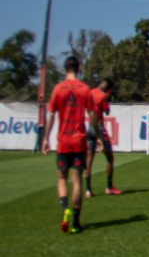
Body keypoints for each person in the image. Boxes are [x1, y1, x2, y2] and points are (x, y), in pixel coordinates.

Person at [43, 56, 92, 234]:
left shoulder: (58, 89)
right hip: (78, 141)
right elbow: (92, 115)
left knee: (62, 178)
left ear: (65, 69)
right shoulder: (85, 89)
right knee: (77, 181)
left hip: (63, 141)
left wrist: (45, 138)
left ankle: (65, 208)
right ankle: (76, 222)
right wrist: (99, 137)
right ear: (79, 69)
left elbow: (51, 115)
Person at [83, 77, 122, 196]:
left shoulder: (89, 93)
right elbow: (107, 111)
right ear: (108, 89)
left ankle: (88, 190)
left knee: (89, 160)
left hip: (89, 127)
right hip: (99, 128)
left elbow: (87, 109)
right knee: (110, 157)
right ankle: (109, 187)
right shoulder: (103, 96)